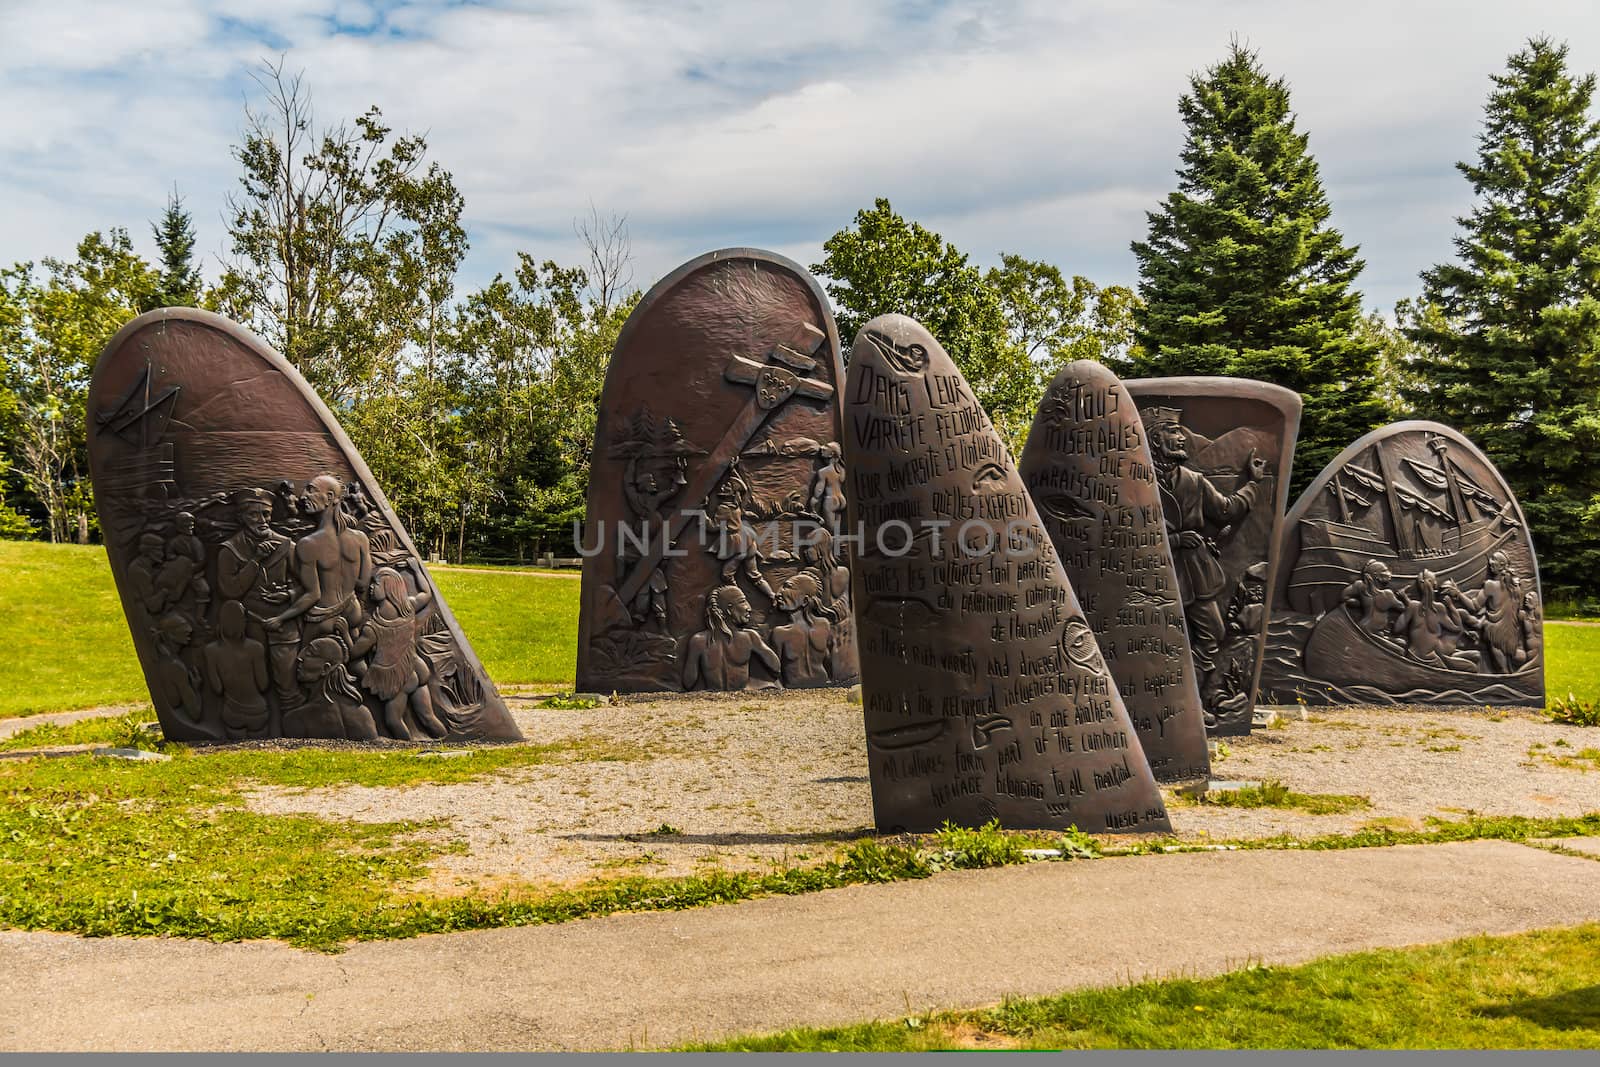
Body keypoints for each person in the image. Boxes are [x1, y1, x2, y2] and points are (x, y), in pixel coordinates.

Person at [1145, 412, 1266, 675]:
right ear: (1155, 440)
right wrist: (1175, 539)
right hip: (1154, 575)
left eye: (1181, 433)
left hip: (1194, 572)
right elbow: (1124, 530)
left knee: (1213, 633)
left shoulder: (1194, 480)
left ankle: (1192, 701)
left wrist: (1253, 483)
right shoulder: (1137, 482)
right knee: (1157, 639)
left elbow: (1226, 510)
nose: (1181, 439)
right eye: (1173, 432)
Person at [216, 488, 300, 708]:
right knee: (256, 684)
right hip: (251, 627)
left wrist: (289, 594)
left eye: (266, 514)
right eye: (254, 514)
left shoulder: (286, 545)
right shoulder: (230, 550)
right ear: (241, 517)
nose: (262, 520)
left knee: (288, 683)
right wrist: (255, 560)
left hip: (284, 626)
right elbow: (229, 591)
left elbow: (307, 586)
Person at [344, 567, 446, 740]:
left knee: (393, 721)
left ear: (389, 587)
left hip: (398, 678)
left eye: (376, 584)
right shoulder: (408, 607)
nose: (371, 587)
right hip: (417, 670)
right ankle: (446, 740)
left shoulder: (374, 628)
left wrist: (346, 632)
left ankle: (407, 750)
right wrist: (416, 570)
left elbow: (353, 654)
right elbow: (427, 593)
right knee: (428, 718)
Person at [269, 475, 372, 644]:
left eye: (311, 490)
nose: (303, 497)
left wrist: (280, 618)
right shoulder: (361, 539)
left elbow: (313, 595)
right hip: (353, 611)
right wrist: (290, 594)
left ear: (330, 498)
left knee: (303, 664)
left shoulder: (308, 544)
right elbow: (362, 584)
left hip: (324, 619)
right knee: (354, 665)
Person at [681, 585, 780, 691]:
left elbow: (689, 682)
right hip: (741, 695)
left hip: (712, 698)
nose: (749, 608)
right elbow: (776, 667)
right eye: (743, 602)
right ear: (729, 610)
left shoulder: (698, 641)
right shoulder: (749, 637)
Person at [707, 458, 775, 601]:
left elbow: (713, 527)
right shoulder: (736, 503)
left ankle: (739, 601)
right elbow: (742, 488)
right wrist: (733, 470)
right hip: (747, 539)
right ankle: (772, 596)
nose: (723, 487)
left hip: (737, 545)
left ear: (732, 493)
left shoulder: (723, 508)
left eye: (727, 486)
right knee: (754, 575)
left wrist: (701, 513)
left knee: (726, 575)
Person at [202, 600, 270, 737]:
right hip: (258, 711)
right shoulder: (255, 648)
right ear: (243, 622)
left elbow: (217, 688)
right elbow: (263, 685)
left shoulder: (211, 651)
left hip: (232, 711)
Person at [770, 572, 833, 687]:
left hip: (823, 686)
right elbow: (774, 672)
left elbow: (830, 660)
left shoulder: (824, 625)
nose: (778, 593)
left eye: (787, 587)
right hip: (793, 693)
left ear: (804, 601)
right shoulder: (780, 633)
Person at [1341, 559, 1408, 637]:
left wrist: (1358, 603)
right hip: (1371, 632)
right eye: (1385, 571)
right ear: (1376, 575)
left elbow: (1344, 596)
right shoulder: (1387, 594)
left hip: (1365, 627)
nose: (1389, 574)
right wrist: (1403, 596)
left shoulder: (1360, 586)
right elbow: (1405, 608)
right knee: (1400, 648)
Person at [808, 443, 847, 532]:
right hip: (841, 500)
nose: (822, 448)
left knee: (830, 530)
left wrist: (813, 503)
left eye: (826, 448)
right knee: (837, 531)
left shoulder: (823, 472)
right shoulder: (842, 470)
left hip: (831, 501)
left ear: (832, 454)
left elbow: (819, 491)